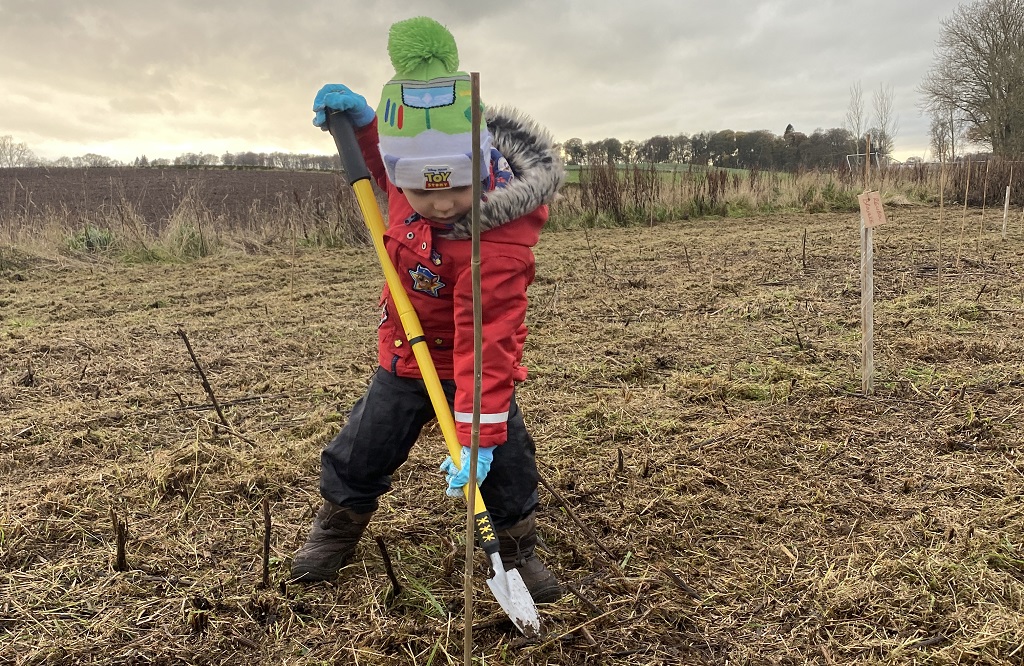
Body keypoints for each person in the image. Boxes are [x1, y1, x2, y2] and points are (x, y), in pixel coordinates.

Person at [290, 16, 565, 604]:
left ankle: (515, 550)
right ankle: (337, 528)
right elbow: (383, 164)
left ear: (483, 165)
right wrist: (363, 126)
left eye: (453, 190)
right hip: (405, 357)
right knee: (362, 448)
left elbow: (488, 337)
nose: (438, 206)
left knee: (506, 465)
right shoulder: (402, 190)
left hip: (473, 367)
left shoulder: (499, 240)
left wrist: (478, 433)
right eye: (420, 192)